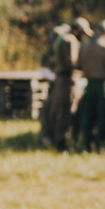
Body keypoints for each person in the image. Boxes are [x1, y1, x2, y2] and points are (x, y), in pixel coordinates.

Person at [75, 19, 105, 149]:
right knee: (102, 116)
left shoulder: (83, 46)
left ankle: (85, 143)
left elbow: (78, 65)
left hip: (89, 84)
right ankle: (99, 144)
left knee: (87, 116)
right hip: (103, 85)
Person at [39, 22, 82, 150]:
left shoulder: (59, 42)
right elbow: (71, 62)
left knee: (56, 112)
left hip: (59, 81)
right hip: (65, 81)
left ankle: (53, 139)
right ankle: (60, 143)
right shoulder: (68, 41)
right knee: (64, 112)